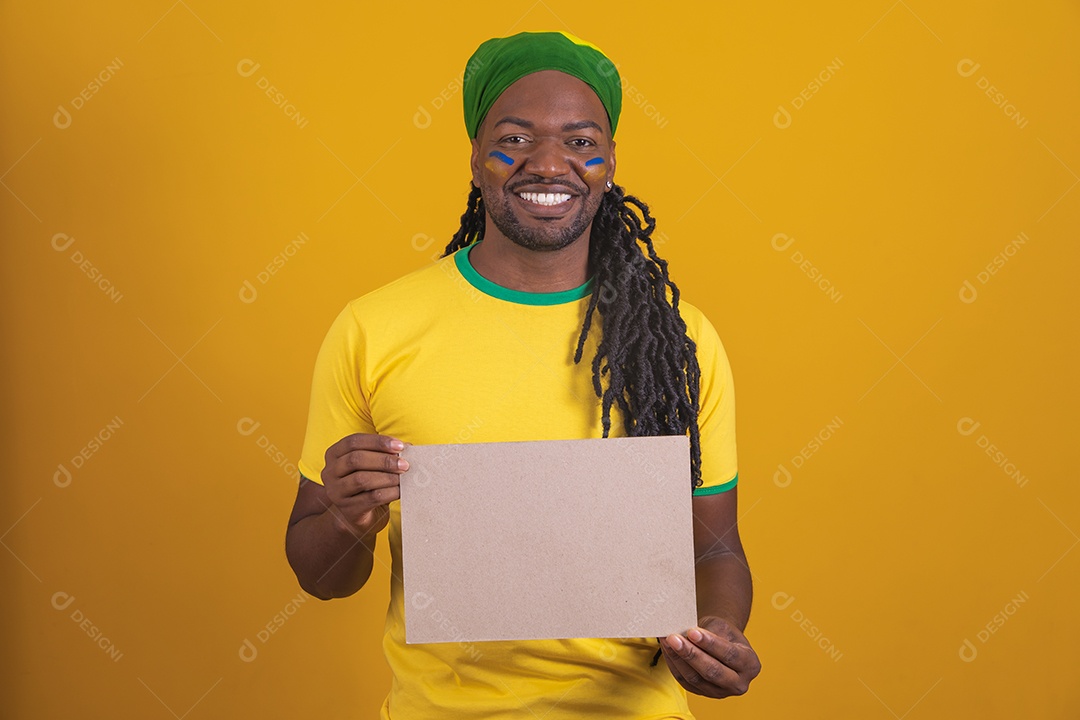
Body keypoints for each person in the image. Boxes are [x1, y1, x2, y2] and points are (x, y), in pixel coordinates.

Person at [285, 30, 760, 719]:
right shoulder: (373, 329)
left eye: (579, 141)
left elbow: (715, 547)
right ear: (476, 158)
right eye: (514, 138)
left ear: (610, 161)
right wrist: (348, 517)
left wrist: (721, 634)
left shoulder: (680, 340)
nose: (548, 164)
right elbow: (320, 576)